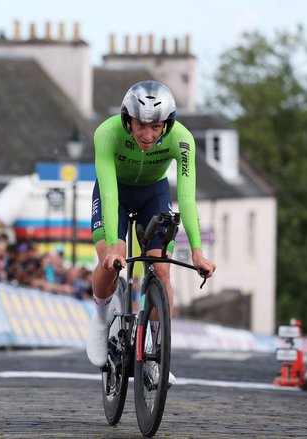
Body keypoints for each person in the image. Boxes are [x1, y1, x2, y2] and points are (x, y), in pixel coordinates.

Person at [86, 80, 217, 385]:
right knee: (110, 260)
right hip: (114, 193)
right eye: (140, 126)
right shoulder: (107, 133)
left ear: (167, 124)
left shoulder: (182, 139)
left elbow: (186, 198)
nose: (147, 135)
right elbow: (108, 194)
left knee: (161, 269)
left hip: (152, 195)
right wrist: (116, 247)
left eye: (156, 127)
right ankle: (101, 320)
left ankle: (154, 351)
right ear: (126, 120)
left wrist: (197, 250)